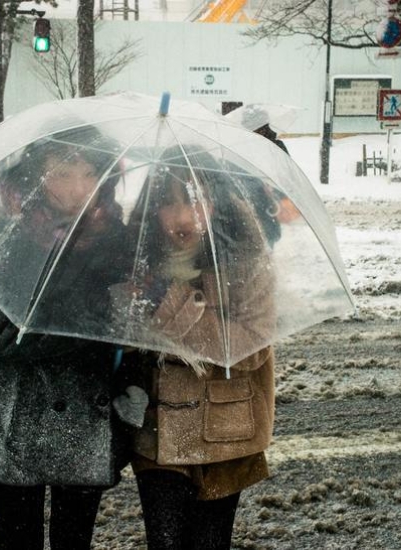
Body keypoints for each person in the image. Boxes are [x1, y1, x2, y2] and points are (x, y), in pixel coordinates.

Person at [0, 128, 142, 550]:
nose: (79, 186)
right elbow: (5, 338)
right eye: (63, 172)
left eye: (89, 172)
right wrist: (96, 313)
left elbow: (133, 332)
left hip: (85, 424)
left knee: (74, 543)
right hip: (18, 425)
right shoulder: (4, 241)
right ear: (37, 176)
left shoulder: (119, 242)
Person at [119, 146, 277, 550]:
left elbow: (251, 350)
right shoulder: (135, 258)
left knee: (209, 543)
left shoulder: (246, 258)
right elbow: (119, 340)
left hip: (224, 432)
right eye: (168, 202)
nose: (182, 216)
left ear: (215, 201)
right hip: (157, 434)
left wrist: (170, 303)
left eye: (194, 199)